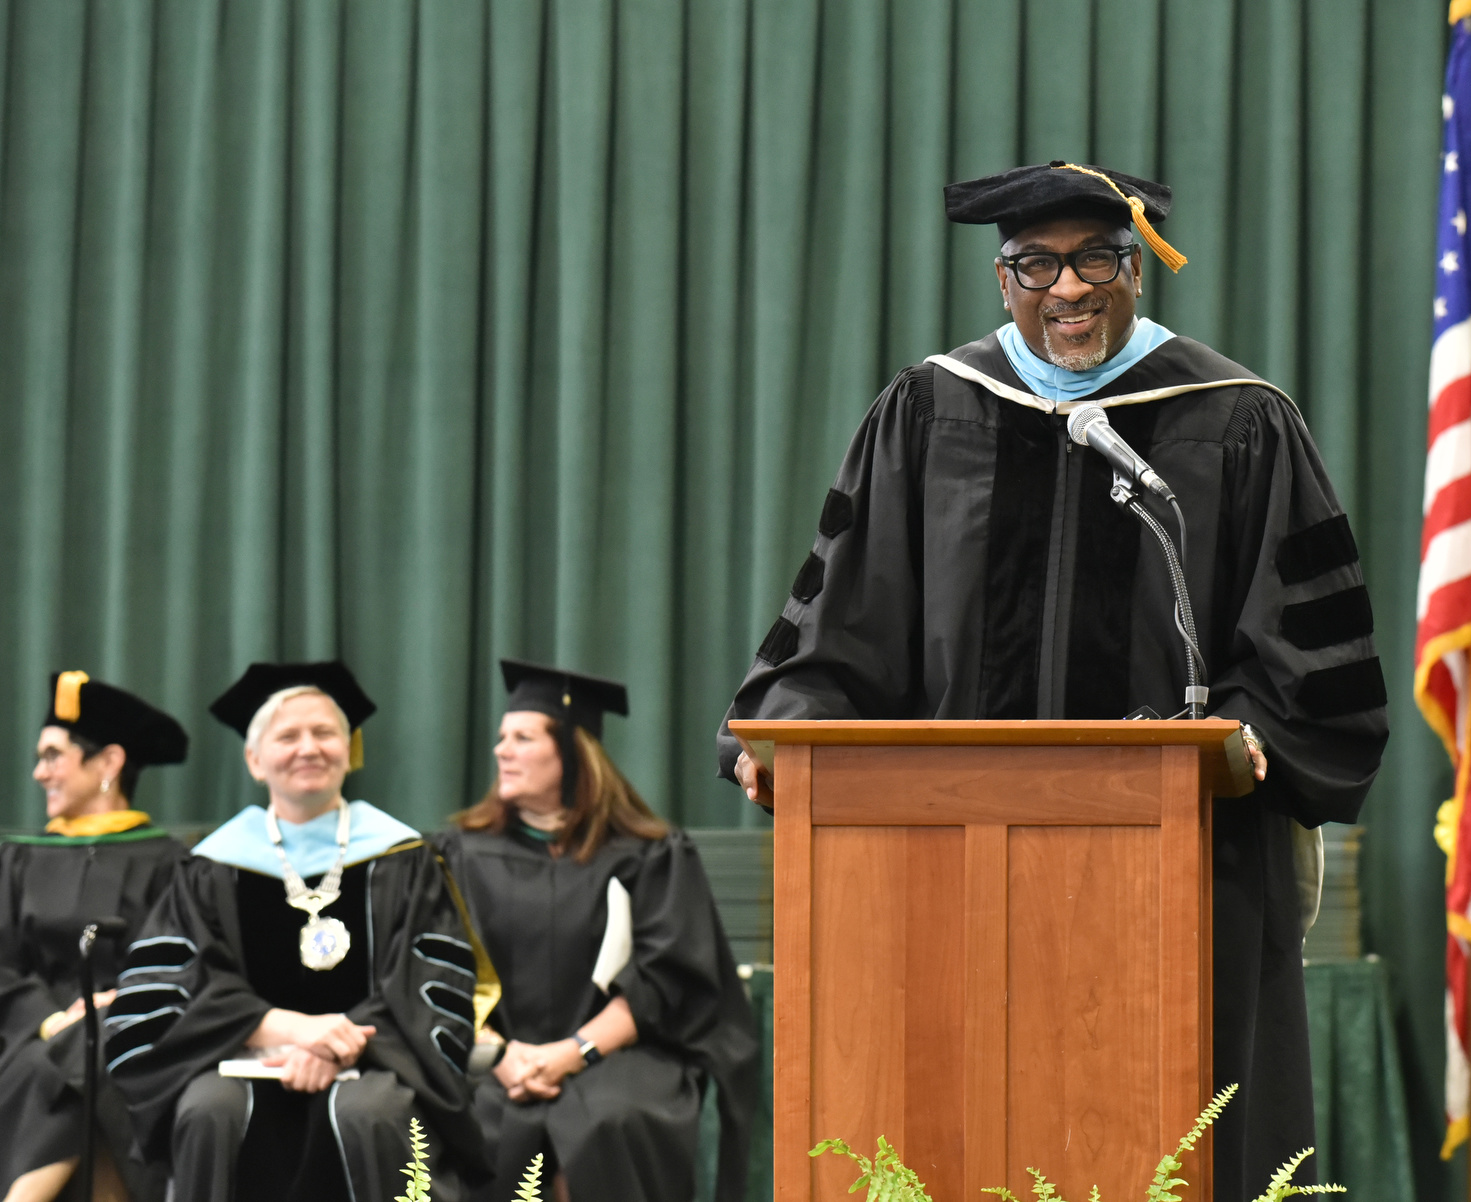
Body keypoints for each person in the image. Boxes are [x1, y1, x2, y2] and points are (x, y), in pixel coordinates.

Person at [716, 161, 1388, 1197]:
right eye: (1038, 263)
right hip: (949, 871)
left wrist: (1256, 729)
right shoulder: (931, 410)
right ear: (1002, 278)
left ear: (1138, 268)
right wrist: (789, 734)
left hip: (1183, 863)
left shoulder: (1238, 417)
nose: (1068, 288)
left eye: (1096, 259)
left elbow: (1304, 648)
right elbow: (846, 617)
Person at [104, 661, 494, 1202]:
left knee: (370, 1114)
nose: (308, 748)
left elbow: (431, 985)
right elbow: (170, 988)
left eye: (325, 733)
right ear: (254, 759)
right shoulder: (210, 865)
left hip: (376, 1061)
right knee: (208, 1111)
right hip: (237, 1056)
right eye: (287, 736)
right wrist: (280, 1026)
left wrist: (337, 1045)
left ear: (347, 749)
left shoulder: (404, 858)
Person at [436, 660, 758, 1202]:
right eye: (500, 738)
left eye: (521, 737)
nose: (501, 751)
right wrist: (502, 1055)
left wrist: (572, 1052)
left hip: (614, 1053)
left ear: (571, 751)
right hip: (490, 1056)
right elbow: (440, 968)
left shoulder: (650, 855)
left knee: (610, 1121)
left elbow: (667, 976)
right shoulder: (460, 855)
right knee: (484, 1119)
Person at [0, 672, 189, 1202]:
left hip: (134, 1030)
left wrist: (115, 1006)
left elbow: (177, 961)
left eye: (54, 755)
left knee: (100, 1046)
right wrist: (49, 1018)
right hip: (26, 1035)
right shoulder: (18, 859)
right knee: (76, 1054)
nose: (39, 773)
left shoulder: (169, 863)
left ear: (108, 763)